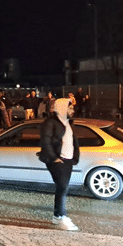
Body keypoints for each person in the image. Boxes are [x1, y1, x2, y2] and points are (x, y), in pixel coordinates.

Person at [38, 98, 80, 231]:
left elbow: (72, 141)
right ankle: (61, 216)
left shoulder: (67, 122)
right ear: (62, 108)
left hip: (68, 160)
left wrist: (74, 157)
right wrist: (54, 158)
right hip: (57, 160)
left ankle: (56, 216)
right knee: (62, 187)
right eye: (70, 108)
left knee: (62, 188)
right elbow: (45, 141)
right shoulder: (50, 123)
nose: (72, 110)